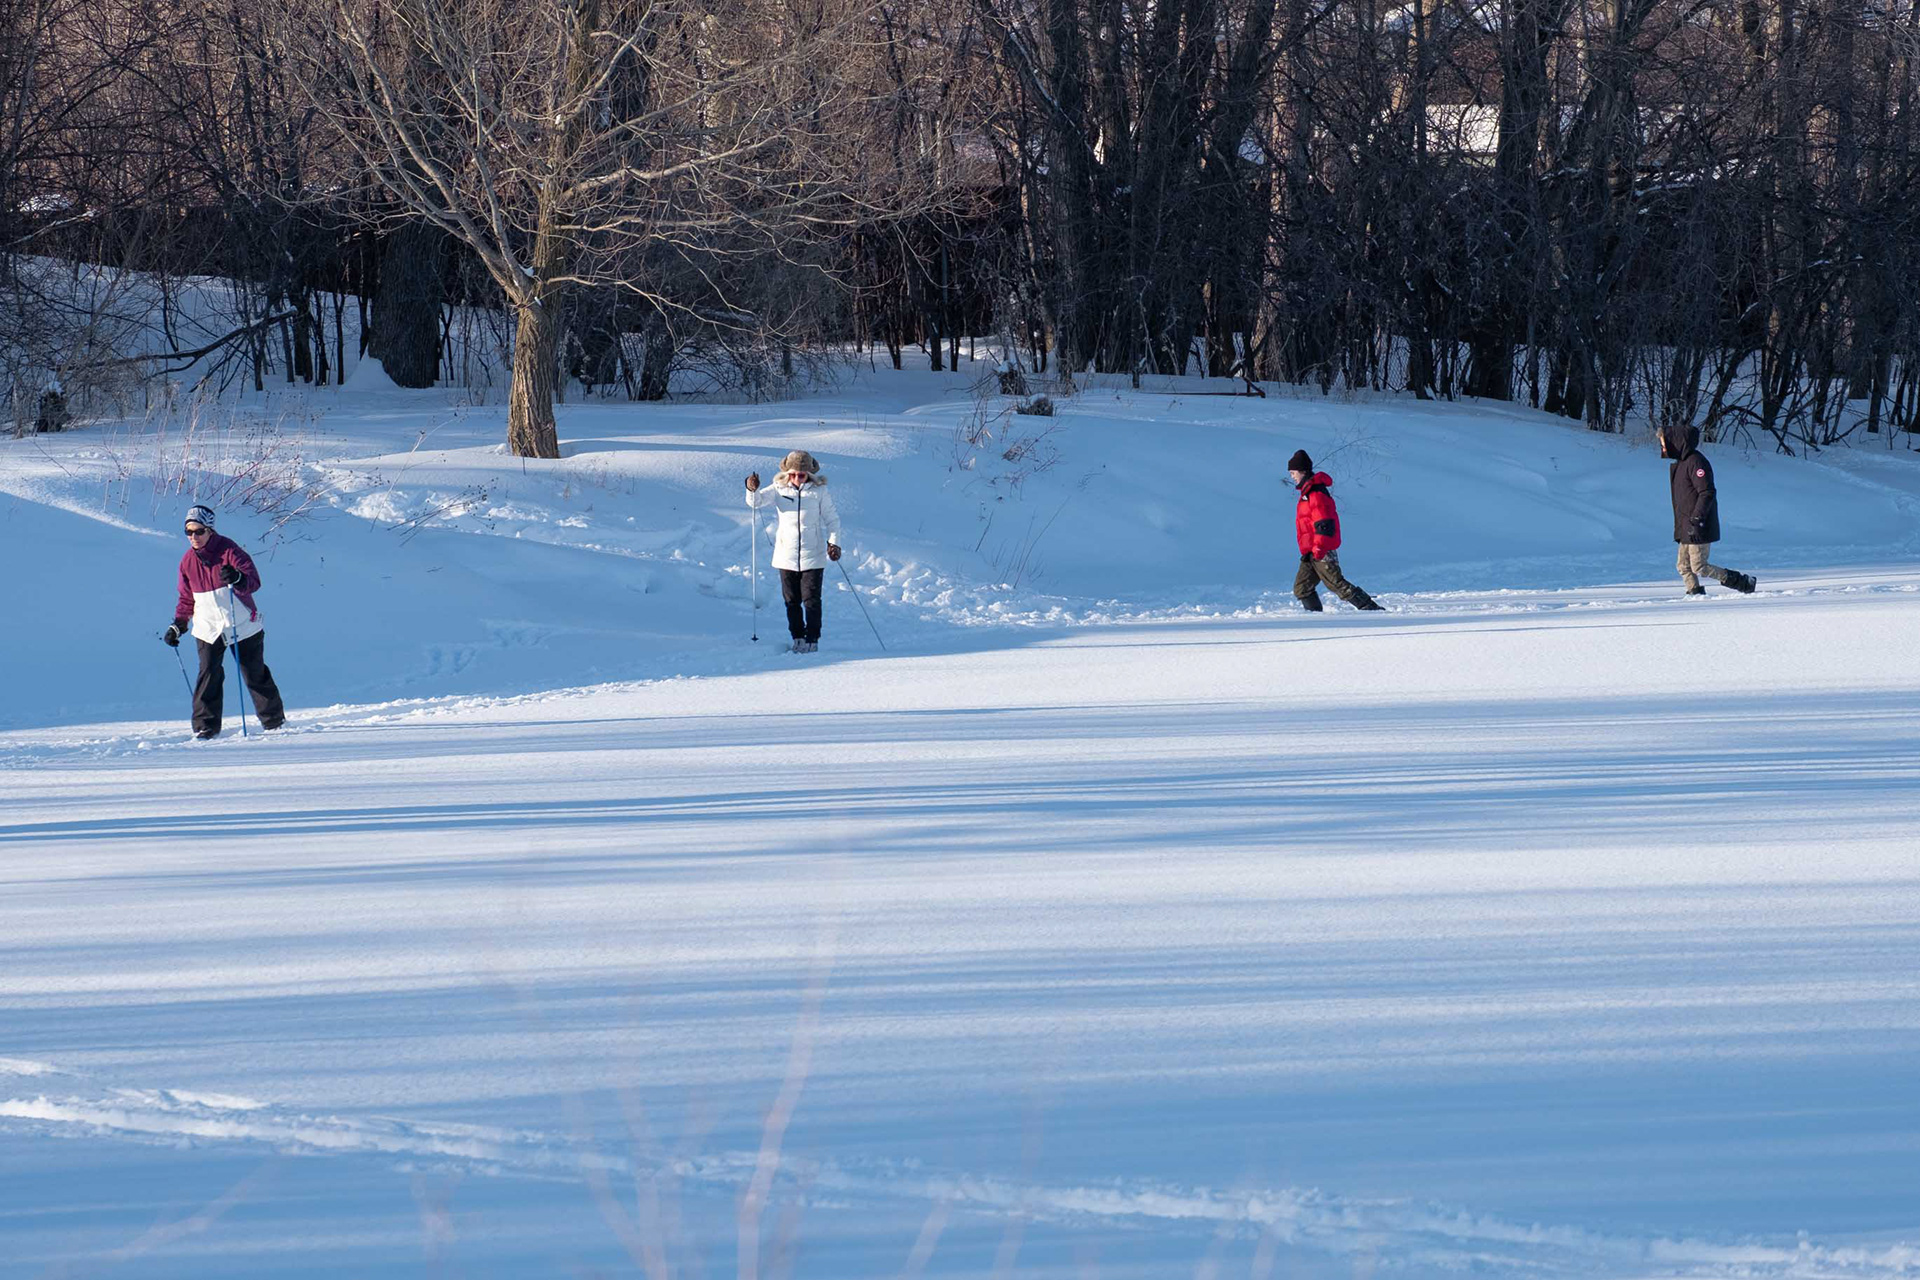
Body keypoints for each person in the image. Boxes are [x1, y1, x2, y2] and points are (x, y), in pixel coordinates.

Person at [163, 504, 286, 738]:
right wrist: (178, 625)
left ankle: (274, 721)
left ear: (210, 530)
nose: (194, 537)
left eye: (199, 531)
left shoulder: (230, 551)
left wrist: (238, 578)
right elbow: (186, 598)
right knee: (208, 673)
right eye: (189, 532)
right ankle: (205, 727)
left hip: (241, 623)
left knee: (254, 673)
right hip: (207, 627)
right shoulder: (187, 562)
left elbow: (253, 581)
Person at [746, 451, 842, 652]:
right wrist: (751, 487)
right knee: (792, 601)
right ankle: (797, 637)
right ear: (787, 473)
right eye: (793, 474)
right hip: (786, 556)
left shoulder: (819, 492)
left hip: (813, 555)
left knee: (811, 600)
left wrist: (834, 544)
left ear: (809, 474)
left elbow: (832, 520)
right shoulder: (779, 489)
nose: (797, 478)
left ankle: (812, 639)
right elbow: (755, 502)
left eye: (802, 474)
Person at [1661, 425, 1756, 596]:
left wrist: (1697, 518)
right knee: (1683, 566)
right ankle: (1695, 594)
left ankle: (1743, 582)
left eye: (1664, 442)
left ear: (1676, 442)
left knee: (1699, 566)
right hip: (1686, 524)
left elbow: (1707, 492)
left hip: (1698, 523)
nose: (1663, 446)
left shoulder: (1696, 462)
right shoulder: (1681, 464)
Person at [1288, 449, 1383, 612]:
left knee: (1336, 584)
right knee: (1302, 588)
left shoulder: (1316, 493)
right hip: (1311, 551)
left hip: (1320, 548)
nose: (1292, 476)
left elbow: (1324, 522)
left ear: (1303, 471)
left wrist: (1319, 546)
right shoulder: (1307, 493)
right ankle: (1314, 619)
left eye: (1293, 472)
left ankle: (1371, 609)